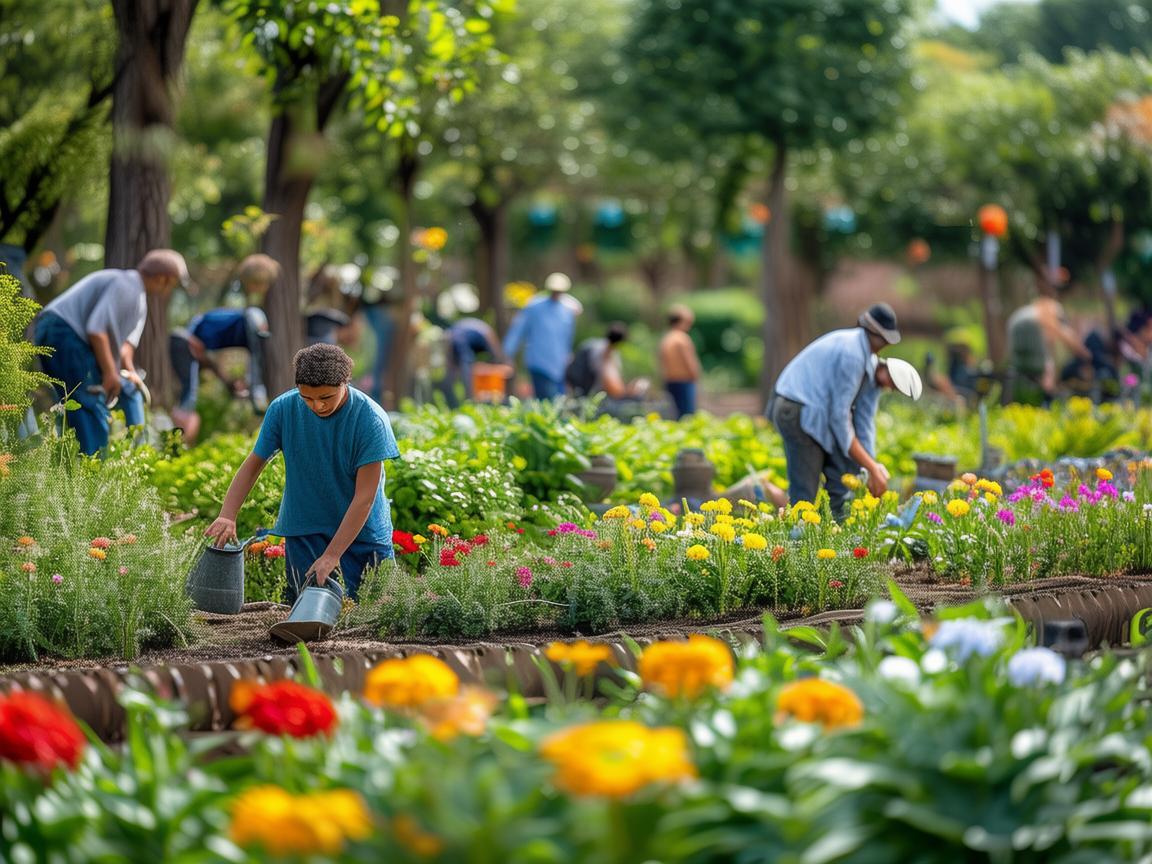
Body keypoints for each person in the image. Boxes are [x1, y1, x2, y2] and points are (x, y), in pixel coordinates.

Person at [204, 344, 401, 605]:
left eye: (326, 398)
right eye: (307, 398)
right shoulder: (282, 409)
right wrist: (228, 514)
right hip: (305, 528)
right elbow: (254, 463)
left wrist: (332, 555)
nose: (317, 406)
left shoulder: (370, 419)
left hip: (363, 533)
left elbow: (364, 497)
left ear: (345, 383)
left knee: (375, 614)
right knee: (305, 616)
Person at [767, 303, 921, 518]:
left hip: (814, 414)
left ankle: (832, 528)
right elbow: (839, 418)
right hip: (797, 410)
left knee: (844, 469)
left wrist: (870, 469)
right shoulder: (853, 355)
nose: (889, 388)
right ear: (872, 332)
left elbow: (864, 423)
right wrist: (871, 467)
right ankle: (796, 542)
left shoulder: (870, 366)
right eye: (892, 383)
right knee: (805, 493)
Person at [35, 249, 188, 456]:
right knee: (89, 402)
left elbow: (125, 346)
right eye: (173, 284)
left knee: (74, 407)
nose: (170, 290)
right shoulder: (127, 285)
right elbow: (96, 330)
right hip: (64, 332)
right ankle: (95, 474)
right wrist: (110, 372)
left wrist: (130, 371)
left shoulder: (139, 299)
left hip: (57, 332)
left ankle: (76, 467)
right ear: (163, 279)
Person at [169, 254, 279, 444]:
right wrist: (254, 395)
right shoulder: (239, 315)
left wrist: (235, 384)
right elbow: (199, 346)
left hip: (195, 342)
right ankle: (177, 442)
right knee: (189, 394)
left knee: (189, 394)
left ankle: (180, 440)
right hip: (185, 340)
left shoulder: (243, 320)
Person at [1006, 288, 1090, 406]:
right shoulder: (1051, 310)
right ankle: (1047, 397)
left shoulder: (1030, 310)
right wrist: (1083, 352)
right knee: (1046, 364)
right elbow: (1063, 333)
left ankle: (1026, 399)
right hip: (1029, 327)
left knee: (1027, 373)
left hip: (1015, 334)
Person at [503, 272, 577, 399]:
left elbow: (567, 337)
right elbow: (517, 331)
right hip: (539, 362)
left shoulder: (566, 311)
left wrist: (568, 356)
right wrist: (507, 354)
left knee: (559, 403)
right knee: (546, 401)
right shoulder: (534, 307)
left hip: (559, 365)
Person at [658, 304, 701, 418]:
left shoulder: (666, 339)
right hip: (684, 383)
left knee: (674, 416)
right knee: (687, 417)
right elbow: (690, 363)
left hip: (670, 382)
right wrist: (696, 378)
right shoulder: (682, 339)